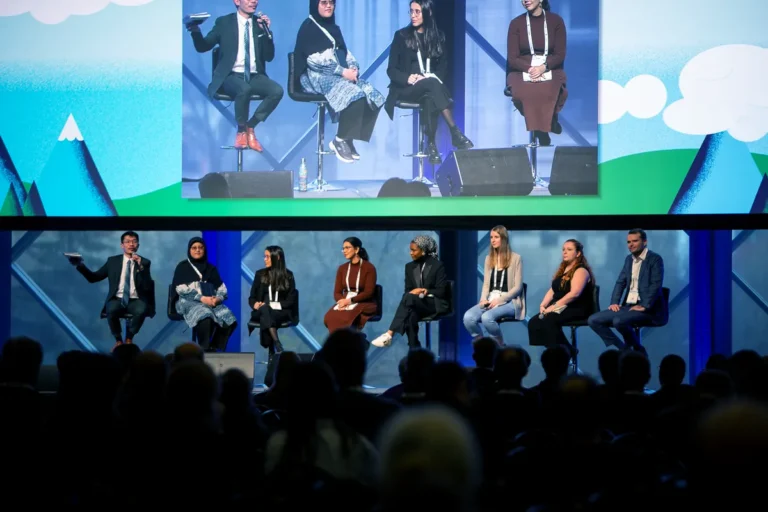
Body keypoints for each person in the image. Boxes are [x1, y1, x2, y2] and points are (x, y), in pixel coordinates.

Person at [294, 0, 385, 163]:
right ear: (316, 5)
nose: (329, 6)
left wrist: (353, 67)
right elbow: (313, 61)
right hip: (315, 76)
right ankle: (340, 139)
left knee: (374, 96)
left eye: (331, 2)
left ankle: (349, 137)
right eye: (324, 2)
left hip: (338, 74)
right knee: (355, 94)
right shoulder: (308, 27)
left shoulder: (333, 28)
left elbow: (344, 51)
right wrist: (343, 71)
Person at [187, 0, 284, 152]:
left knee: (277, 91)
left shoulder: (259, 24)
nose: (254, 1)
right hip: (230, 75)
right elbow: (203, 46)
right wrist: (194, 30)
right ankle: (240, 130)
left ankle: (250, 127)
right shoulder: (224, 22)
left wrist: (267, 33)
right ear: (237, 1)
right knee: (243, 89)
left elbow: (269, 56)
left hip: (254, 75)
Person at [385, 0, 473, 165]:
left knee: (430, 95)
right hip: (406, 89)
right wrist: (408, 78)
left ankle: (431, 144)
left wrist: (430, 77)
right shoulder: (401, 36)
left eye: (417, 11)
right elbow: (391, 70)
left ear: (428, 12)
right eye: (411, 11)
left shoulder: (438, 37)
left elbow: (443, 68)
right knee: (432, 85)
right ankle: (454, 132)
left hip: (429, 88)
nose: (413, 15)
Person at [68, 231, 155, 351]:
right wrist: (80, 266)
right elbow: (94, 278)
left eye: (134, 242)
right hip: (117, 298)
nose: (131, 244)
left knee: (141, 309)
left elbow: (147, 286)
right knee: (111, 309)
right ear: (122, 245)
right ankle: (118, 340)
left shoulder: (145, 262)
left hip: (136, 299)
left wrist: (141, 267)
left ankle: (129, 338)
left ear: (138, 245)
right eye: (127, 242)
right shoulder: (112, 261)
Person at [588, 229, 665, 355]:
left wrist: (645, 305)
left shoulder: (655, 259)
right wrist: (614, 302)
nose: (631, 244)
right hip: (628, 306)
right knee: (593, 320)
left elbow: (656, 284)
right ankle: (624, 348)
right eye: (629, 242)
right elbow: (620, 282)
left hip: (649, 309)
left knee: (619, 321)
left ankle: (637, 349)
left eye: (635, 241)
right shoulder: (629, 259)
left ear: (644, 242)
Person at [506, 0, 567, 147]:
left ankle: (548, 123)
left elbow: (560, 54)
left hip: (549, 67)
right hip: (522, 69)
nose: (525, 0)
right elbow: (513, 58)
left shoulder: (556, 21)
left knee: (548, 90)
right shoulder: (516, 24)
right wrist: (530, 69)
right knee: (525, 92)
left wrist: (542, 68)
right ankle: (542, 131)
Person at [372, 235, 449, 348]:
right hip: (416, 303)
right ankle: (414, 346)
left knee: (409, 299)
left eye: (414, 250)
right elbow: (408, 290)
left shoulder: (437, 266)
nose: (410, 253)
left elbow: (441, 291)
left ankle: (389, 334)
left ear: (423, 251)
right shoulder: (409, 267)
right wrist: (414, 293)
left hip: (434, 303)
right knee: (411, 313)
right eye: (410, 250)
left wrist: (425, 290)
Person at [527, 239, 594, 359]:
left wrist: (553, 307)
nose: (565, 252)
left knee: (549, 320)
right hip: (561, 306)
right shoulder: (563, 270)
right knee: (534, 322)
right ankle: (556, 350)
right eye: (563, 249)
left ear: (578, 253)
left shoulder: (581, 270)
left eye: (569, 250)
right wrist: (543, 304)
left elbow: (575, 293)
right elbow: (553, 289)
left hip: (576, 307)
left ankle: (566, 351)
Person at [172, 237, 238, 352]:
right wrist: (201, 298)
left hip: (210, 301)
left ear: (204, 250)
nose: (197, 250)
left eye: (200, 248)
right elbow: (180, 289)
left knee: (229, 318)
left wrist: (217, 298)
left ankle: (212, 347)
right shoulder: (182, 267)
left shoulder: (211, 268)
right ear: (189, 250)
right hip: (187, 301)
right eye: (194, 248)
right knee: (206, 315)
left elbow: (222, 288)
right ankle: (204, 348)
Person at [462, 226, 525, 346]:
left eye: (496, 237)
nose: (493, 240)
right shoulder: (488, 259)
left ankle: (499, 344)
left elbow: (518, 288)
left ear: (504, 239)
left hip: (510, 301)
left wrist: (500, 300)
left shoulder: (516, 258)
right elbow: (486, 284)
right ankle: (482, 345)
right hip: (491, 299)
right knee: (468, 318)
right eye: (491, 237)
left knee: (486, 318)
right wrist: (483, 299)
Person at [248, 246, 297, 355]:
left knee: (267, 311)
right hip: (261, 310)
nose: (265, 259)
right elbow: (252, 297)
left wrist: (272, 305)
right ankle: (277, 343)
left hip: (281, 311)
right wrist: (255, 304)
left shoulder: (288, 276)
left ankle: (273, 349)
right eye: (264, 256)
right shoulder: (259, 274)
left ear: (277, 257)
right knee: (265, 309)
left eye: (267, 257)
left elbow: (290, 301)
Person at [323, 237, 379, 333]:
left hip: (364, 302)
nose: (344, 251)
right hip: (344, 301)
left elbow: (368, 292)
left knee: (345, 318)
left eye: (347, 248)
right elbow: (337, 291)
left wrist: (349, 301)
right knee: (329, 317)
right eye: (343, 248)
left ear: (356, 249)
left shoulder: (369, 268)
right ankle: (338, 343)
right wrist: (341, 302)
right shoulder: (342, 268)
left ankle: (349, 342)